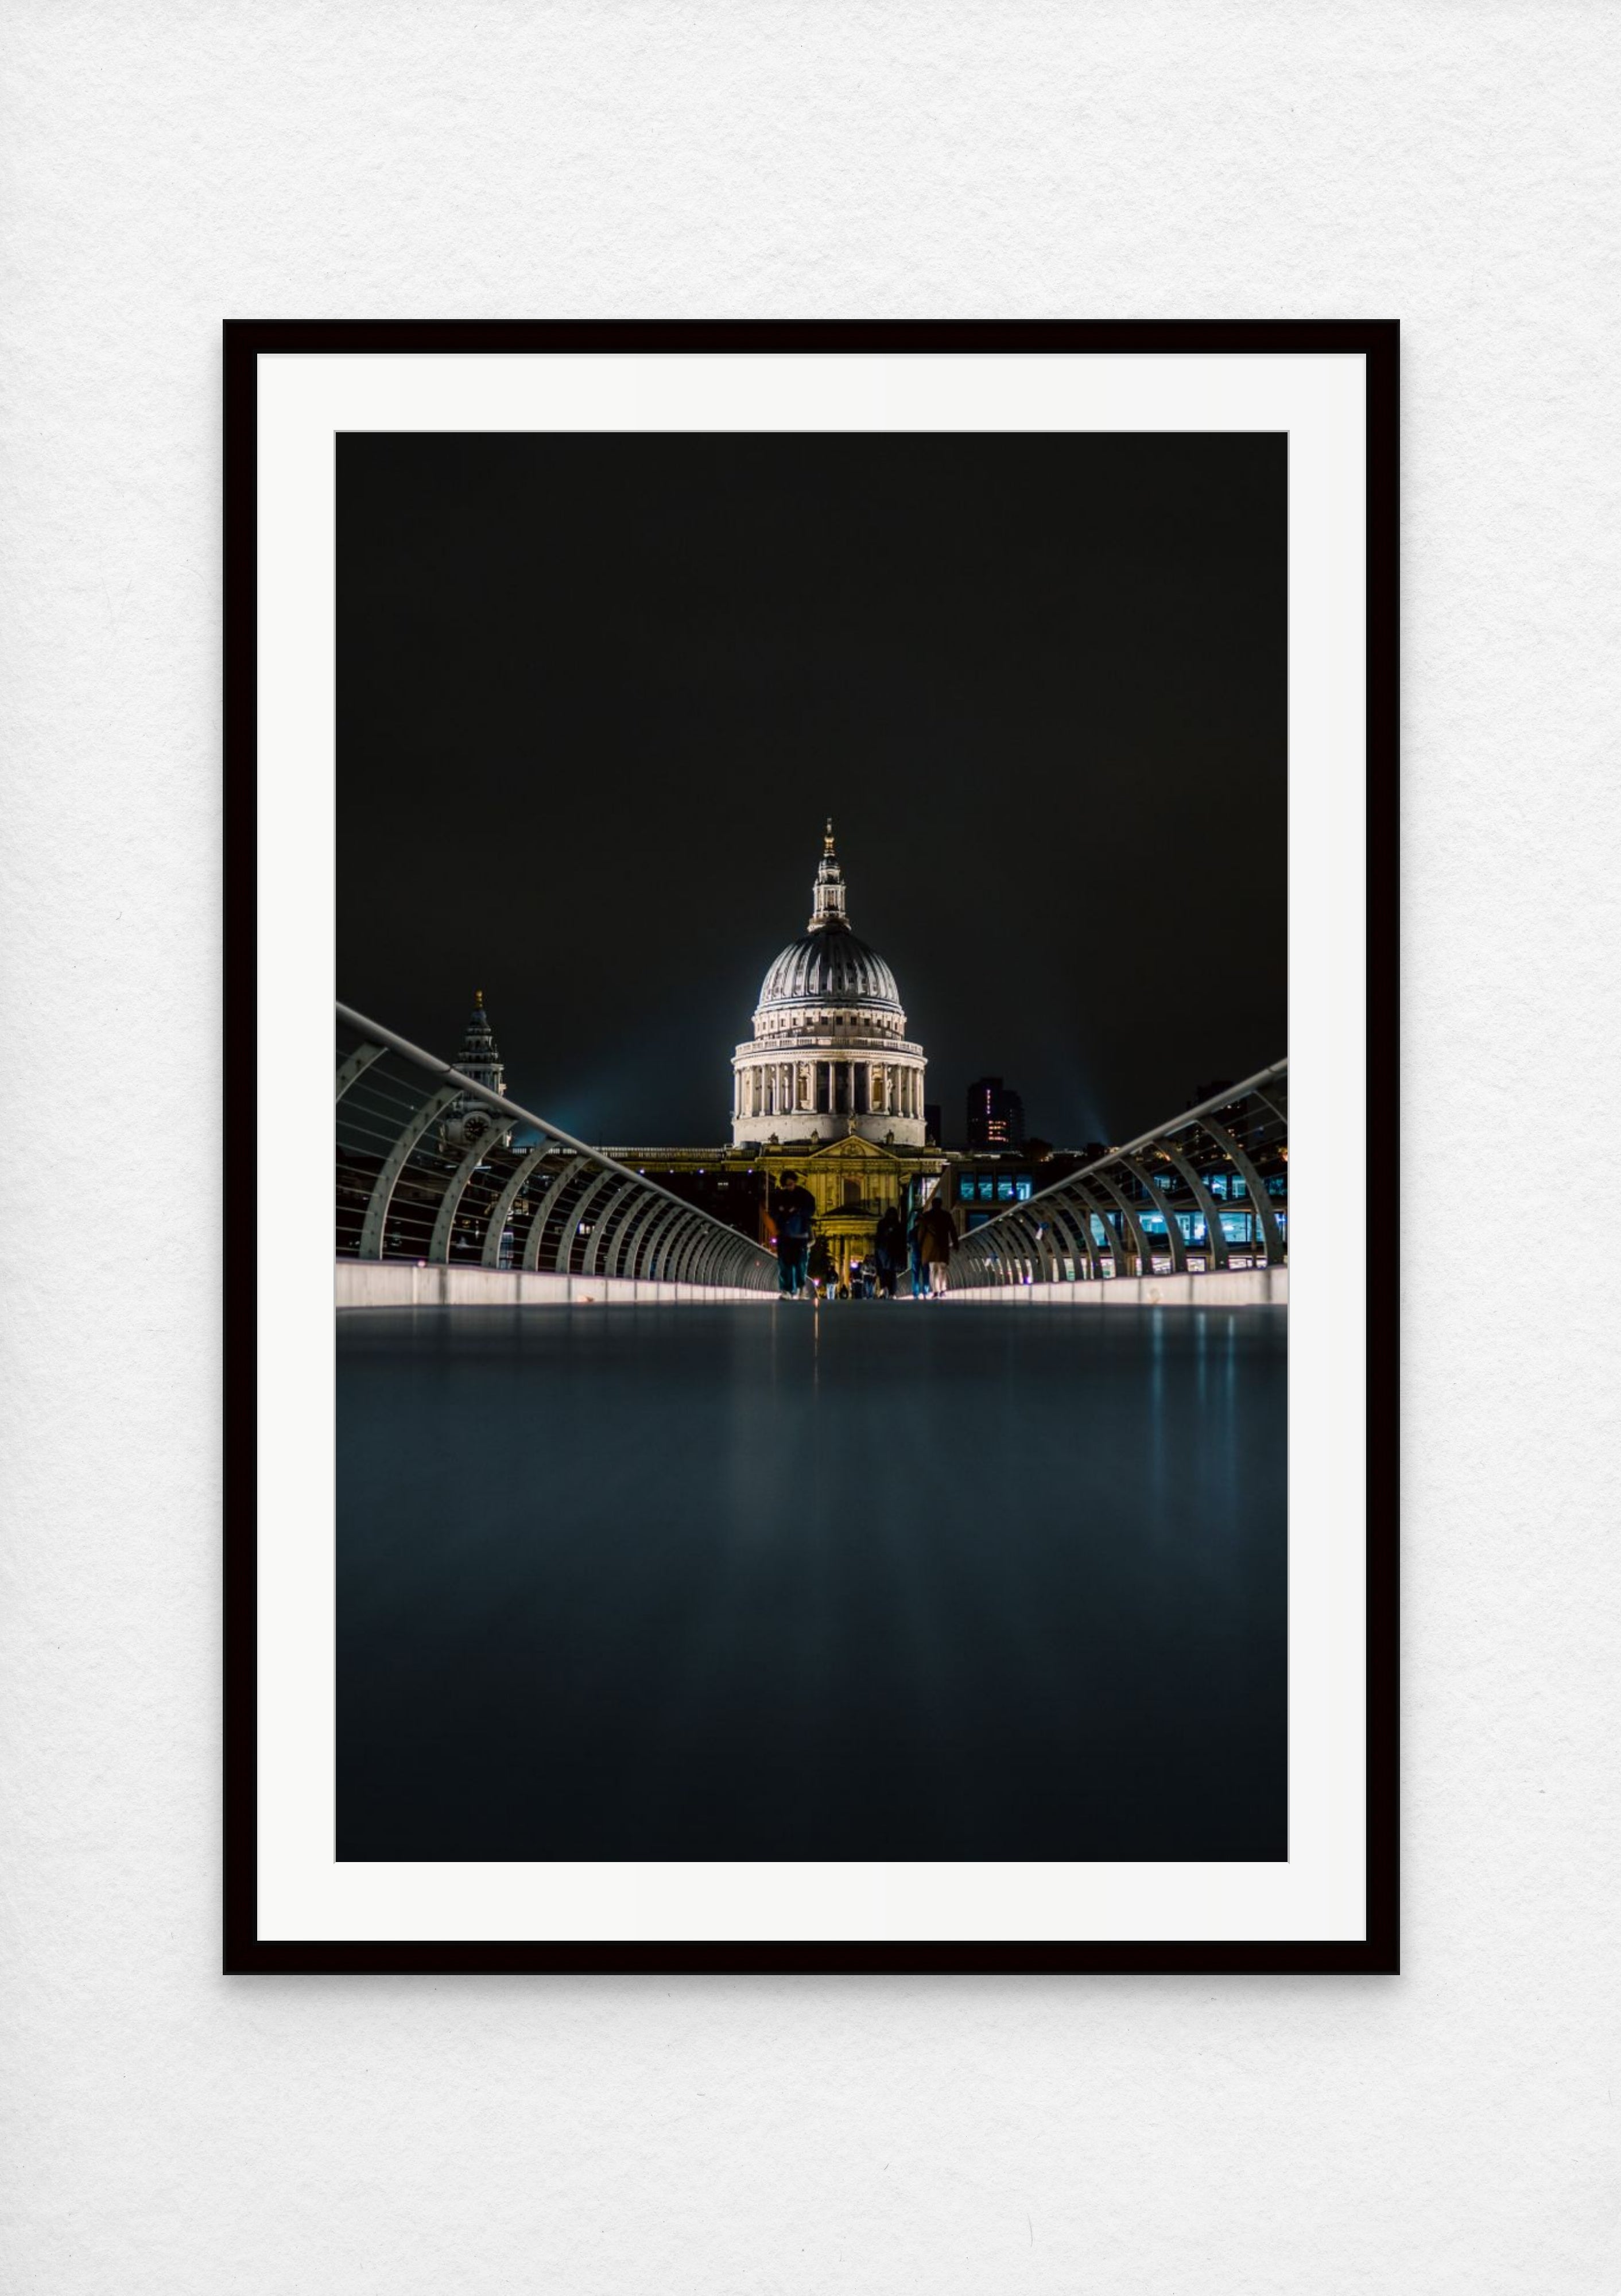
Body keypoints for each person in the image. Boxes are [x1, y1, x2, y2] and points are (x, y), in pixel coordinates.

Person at [769, 1169, 816, 1298]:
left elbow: (811, 1210)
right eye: (787, 1185)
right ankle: (787, 1290)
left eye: (791, 1184)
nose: (790, 1187)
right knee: (785, 1263)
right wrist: (782, 1213)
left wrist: (797, 1211)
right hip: (786, 1235)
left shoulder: (804, 1195)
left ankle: (800, 1288)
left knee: (800, 1264)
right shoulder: (780, 1196)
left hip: (800, 1235)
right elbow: (772, 1212)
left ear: (795, 1182)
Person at [916, 1196, 956, 1297]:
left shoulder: (927, 1216)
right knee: (942, 1268)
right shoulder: (946, 1215)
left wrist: (920, 1245)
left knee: (933, 1270)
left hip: (930, 1247)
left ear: (932, 1205)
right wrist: (956, 1243)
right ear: (941, 1204)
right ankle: (943, 1290)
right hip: (943, 1245)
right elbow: (953, 1230)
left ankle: (935, 1291)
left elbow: (921, 1232)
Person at [873, 1206, 905, 1299]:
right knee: (890, 1273)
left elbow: (878, 1238)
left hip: (885, 1252)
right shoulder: (898, 1225)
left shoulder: (882, 1224)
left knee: (886, 1273)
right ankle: (890, 1292)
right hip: (889, 1252)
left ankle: (886, 1291)